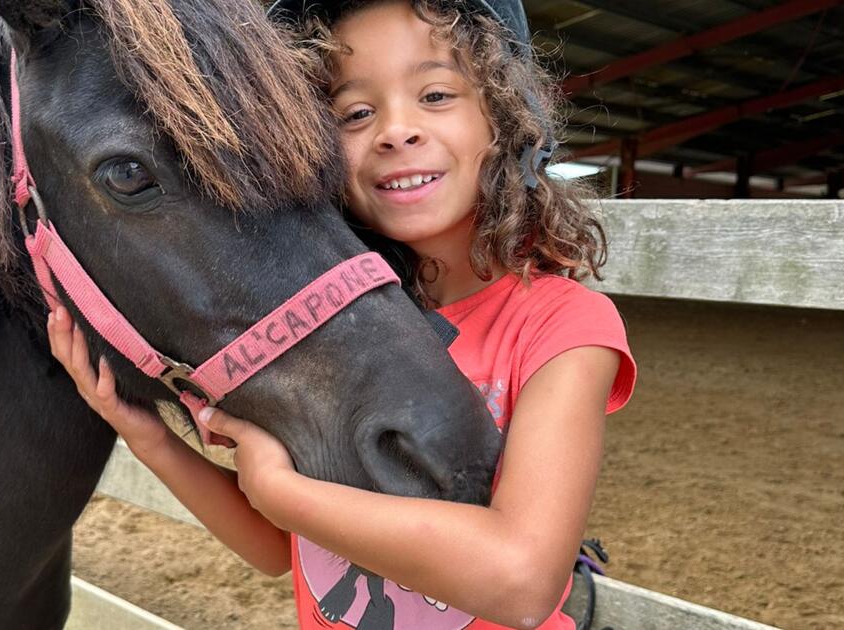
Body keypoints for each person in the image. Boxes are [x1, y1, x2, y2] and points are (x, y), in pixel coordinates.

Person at [46, 0, 636, 627]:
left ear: (507, 119)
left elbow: (522, 583)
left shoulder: (565, 327)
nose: (394, 130)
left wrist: (281, 491)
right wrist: (149, 437)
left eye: (435, 95)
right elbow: (282, 546)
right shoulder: (325, 334)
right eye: (355, 113)